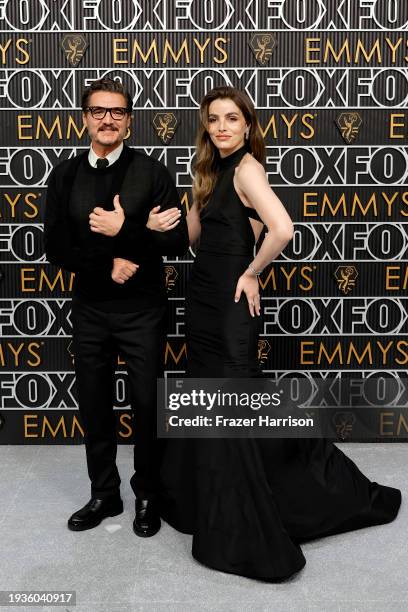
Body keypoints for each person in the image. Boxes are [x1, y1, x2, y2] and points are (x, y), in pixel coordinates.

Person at [148, 86, 402, 580]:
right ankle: (206, 502)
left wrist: (251, 272)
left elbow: (282, 229)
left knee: (235, 403)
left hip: (230, 305)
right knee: (209, 400)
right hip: (201, 301)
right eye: (214, 119)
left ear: (247, 125)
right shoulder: (208, 172)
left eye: (232, 119)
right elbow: (191, 240)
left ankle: (281, 509)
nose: (222, 127)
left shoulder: (246, 169)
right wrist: (156, 225)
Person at [44, 77, 188, 538]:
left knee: (146, 405)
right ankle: (104, 493)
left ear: (129, 121)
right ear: (84, 118)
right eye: (99, 111)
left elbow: (178, 240)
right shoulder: (64, 174)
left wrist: (127, 232)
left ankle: (148, 493)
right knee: (94, 403)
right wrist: (112, 261)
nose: (108, 119)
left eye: (118, 112)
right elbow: (56, 248)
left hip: (142, 311)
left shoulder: (152, 171)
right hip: (90, 309)